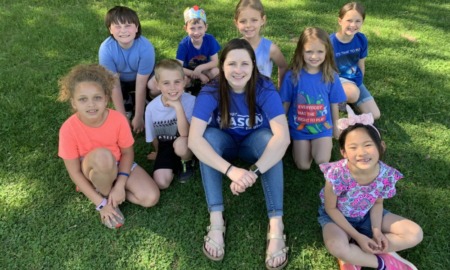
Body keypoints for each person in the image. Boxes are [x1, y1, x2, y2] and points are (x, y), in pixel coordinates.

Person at [188, 39, 290, 269]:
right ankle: (216, 220)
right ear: (222, 66)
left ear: (254, 65)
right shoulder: (211, 90)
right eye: (232, 63)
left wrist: (253, 172)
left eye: (245, 64)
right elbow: (194, 140)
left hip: (253, 144)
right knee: (207, 139)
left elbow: (283, 137)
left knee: (269, 141)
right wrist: (231, 171)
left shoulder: (264, 87)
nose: (238, 70)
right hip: (224, 143)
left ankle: (276, 223)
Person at [318, 105, 423, 270]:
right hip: (337, 219)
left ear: (381, 147)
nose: (361, 153)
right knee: (336, 246)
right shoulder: (336, 174)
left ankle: (354, 256)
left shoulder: (385, 174)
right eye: (353, 147)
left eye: (367, 145)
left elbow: (377, 204)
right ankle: (383, 262)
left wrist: (377, 231)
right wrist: (358, 236)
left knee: (415, 233)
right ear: (344, 153)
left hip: (368, 215)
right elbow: (331, 209)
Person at [58, 64, 160, 229]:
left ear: (106, 98)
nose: (91, 105)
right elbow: (74, 173)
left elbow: (127, 153)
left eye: (97, 97)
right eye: (83, 99)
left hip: (118, 164)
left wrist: (120, 185)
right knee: (103, 157)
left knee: (150, 198)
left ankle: (111, 191)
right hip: (91, 168)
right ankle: (105, 201)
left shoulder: (118, 120)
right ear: (74, 103)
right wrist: (100, 203)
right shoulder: (68, 129)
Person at [280, 27, 347, 170]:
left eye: (320, 51)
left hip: (323, 128)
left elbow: (334, 104)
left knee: (321, 159)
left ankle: (320, 144)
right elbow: (286, 103)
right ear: (301, 52)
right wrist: (280, 128)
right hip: (299, 128)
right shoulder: (292, 76)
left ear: (327, 52)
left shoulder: (331, 75)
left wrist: (335, 128)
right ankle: (299, 145)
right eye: (309, 51)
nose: (314, 56)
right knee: (303, 165)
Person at [99, 6, 158, 133]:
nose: (123, 31)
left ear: (136, 27)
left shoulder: (146, 47)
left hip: (143, 80)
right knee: (103, 87)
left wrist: (138, 116)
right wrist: (122, 118)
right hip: (120, 81)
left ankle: (147, 99)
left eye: (128, 25)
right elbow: (113, 84)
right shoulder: (106, 49)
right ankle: (127, 102)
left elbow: (141, 83)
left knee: (155, 86)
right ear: (110, 29)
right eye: (117, 26)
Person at [144, 59, 196, 188]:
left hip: (186, 141)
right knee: (161, 182)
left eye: (177, 82)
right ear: (157, 85)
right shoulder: (151, 108)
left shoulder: (191, 101)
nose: (172, 88)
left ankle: (187, 161)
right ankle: (173, 164)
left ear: (184, 81)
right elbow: (154, 137)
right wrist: (158, 153)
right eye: (166, 83)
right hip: (165, 145)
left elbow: (186, 133)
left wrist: (178, 107)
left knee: (181, 145)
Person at [330, 2, 381, 119]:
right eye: (349, 20)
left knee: (375, 115)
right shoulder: (330, 42)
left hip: (354, 81)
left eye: (358, 21)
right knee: (353, 94)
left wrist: (359, 83)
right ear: (340, 21)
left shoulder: (361, 39)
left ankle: (350, 100)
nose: (353, 25)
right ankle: (337, 101)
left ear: (362, 22)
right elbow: (325, 71)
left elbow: (361, 64)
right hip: (336, 80)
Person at [234, 0, 287, 88]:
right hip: (241, 95)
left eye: (254, 20)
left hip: (264, 96)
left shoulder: (271, 49)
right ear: (236, 23)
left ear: (262, 20)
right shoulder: (234, 48)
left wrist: (281, 90)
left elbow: (283, 66)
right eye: (243, 21)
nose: (248, 25)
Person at [174, 5, 220, 95]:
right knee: (182, 79)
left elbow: (215, 62)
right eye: (192, 28)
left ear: (206, 27)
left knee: (216, 71)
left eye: (200, 27)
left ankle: (208, 87)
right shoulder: (183, 45)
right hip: (189, 72)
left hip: (205, 69)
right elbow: (178, 67)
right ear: (186, 29)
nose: (196, 32)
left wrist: (200, 68)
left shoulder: (210, 40)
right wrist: (197, 74)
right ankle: (190, 89)